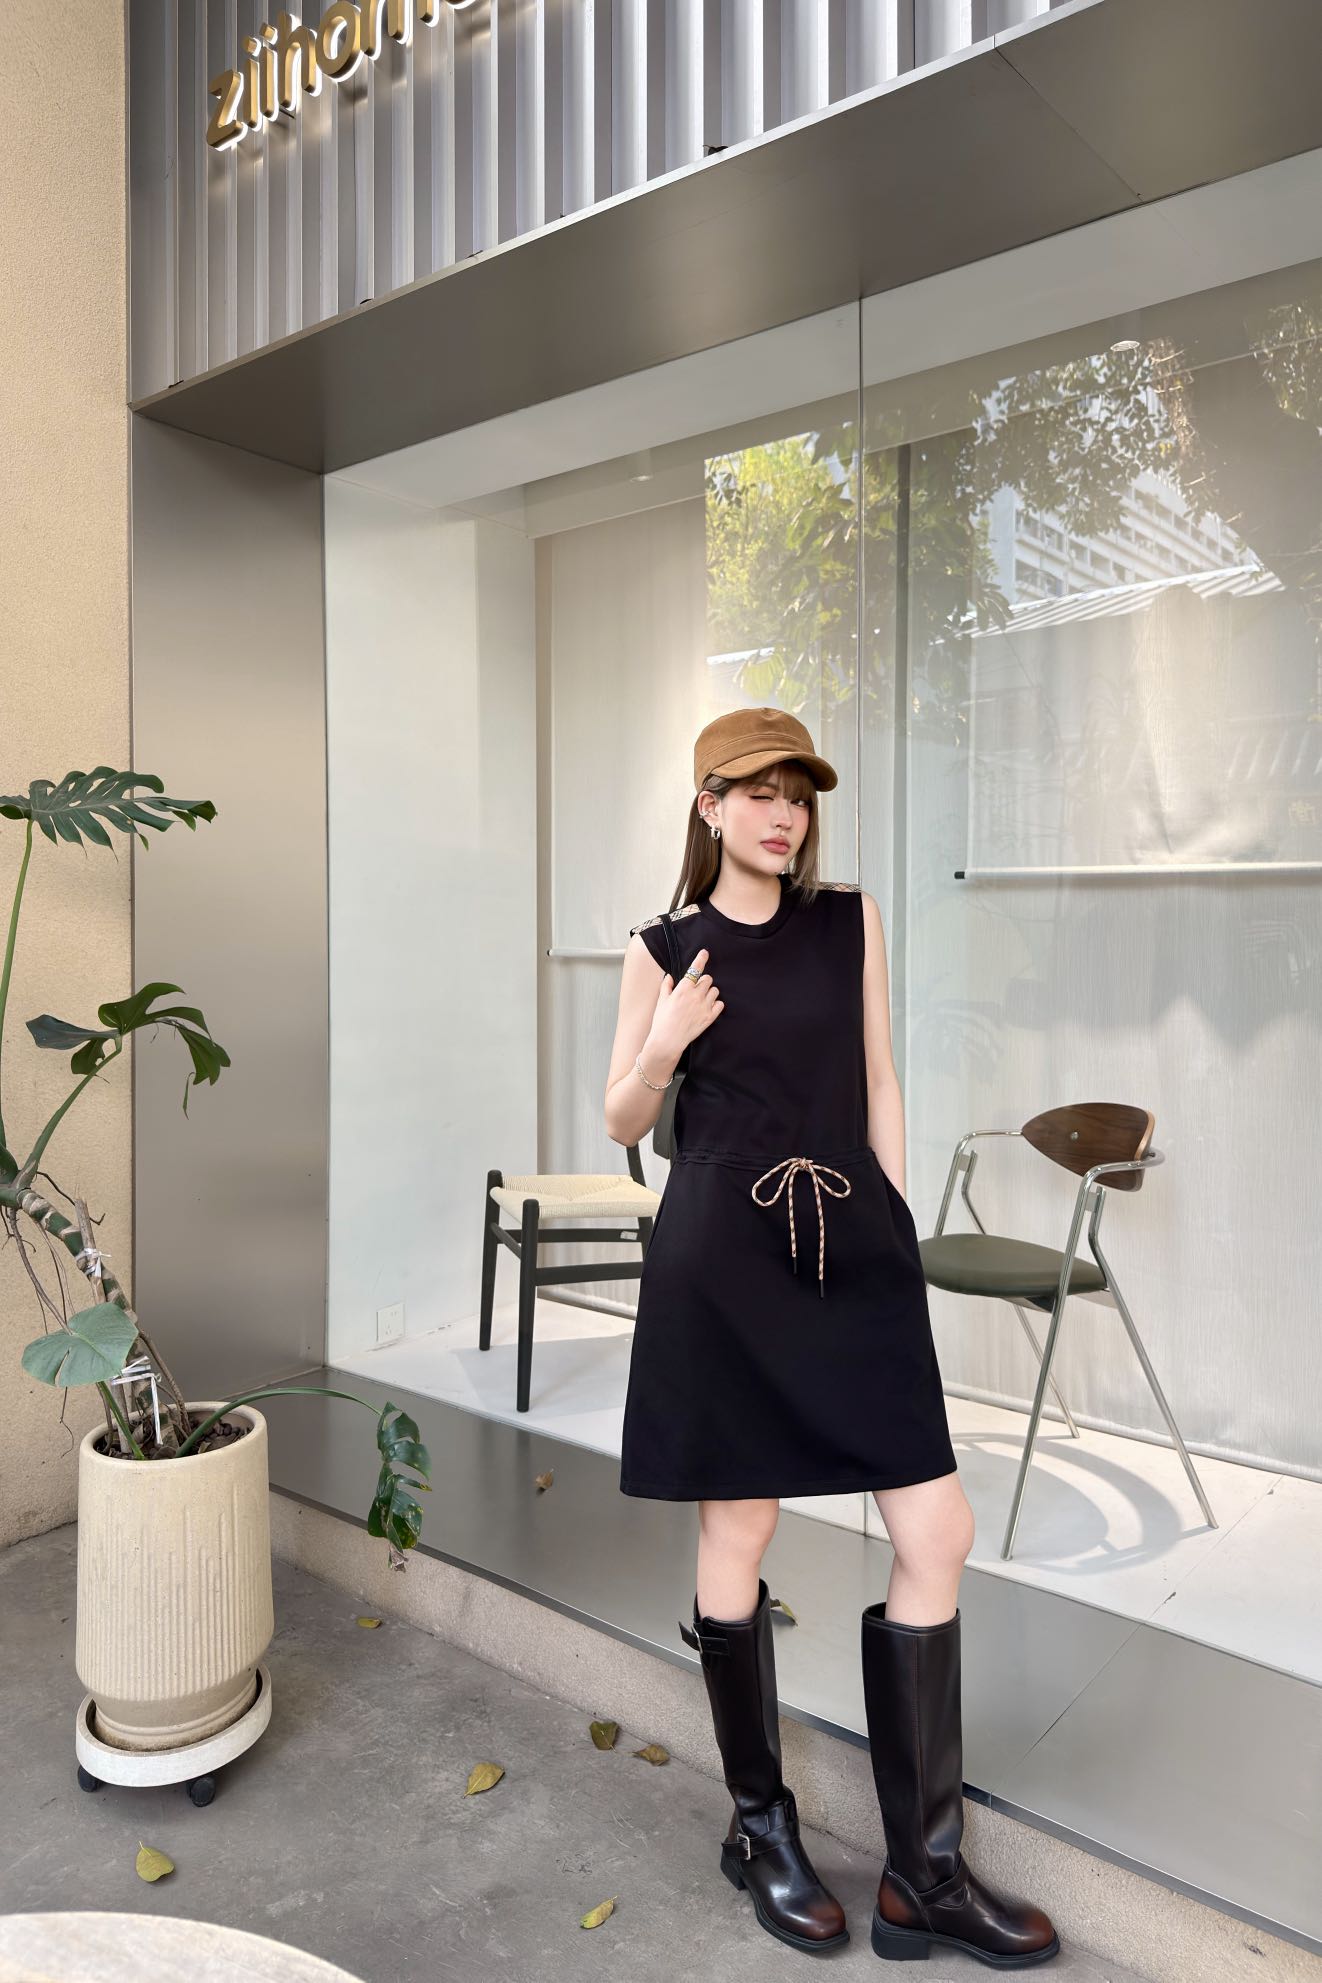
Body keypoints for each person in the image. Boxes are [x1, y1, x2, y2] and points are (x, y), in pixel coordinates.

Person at [603, 707, 1060, 1967]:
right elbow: (620, 1120)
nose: (783, 815)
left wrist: (891, 1224)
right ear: (708, 807)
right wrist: (662, 1044)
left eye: (797, 795)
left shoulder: (847, 919)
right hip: (718, 1258)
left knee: (935, 1528)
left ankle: (924, 1876)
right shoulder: (661, 948)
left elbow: (878, 1080)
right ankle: (760, 1829)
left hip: (847, 1242)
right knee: (737, 1529)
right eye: (757, 793)